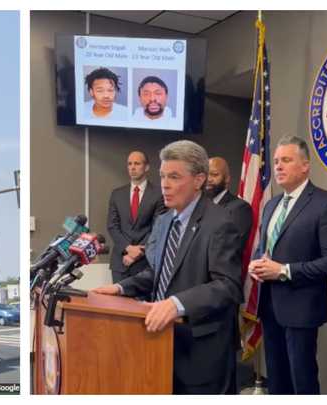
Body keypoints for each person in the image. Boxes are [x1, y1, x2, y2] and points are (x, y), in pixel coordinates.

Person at [94, 140, 242, 394]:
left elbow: (227, 286)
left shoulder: (220, 222)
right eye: (163, 176)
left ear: (199, 180)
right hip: (161, 344)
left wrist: (176, 303)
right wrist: (120, 288)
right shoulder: (163, 221)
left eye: (174, 176)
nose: (164, 184)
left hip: (201, 353)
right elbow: (157, 272)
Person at [248, 136, 327, 395]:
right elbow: (265, 248)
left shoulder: (326, 203)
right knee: (277, 381)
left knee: (302, 382)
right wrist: (256, 263)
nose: (278, 166)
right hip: (269, 307)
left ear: (305, 166)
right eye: (277, 161)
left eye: (287, 160)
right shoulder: (271, 205)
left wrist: (283, 271)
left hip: (301, 310)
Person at [106, 151, 165, 283]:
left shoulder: (159, 194)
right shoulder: (117, 194)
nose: (132, 167)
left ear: (147, 167)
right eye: (130, 164)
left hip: (144, 263)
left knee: (142, 303)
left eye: (137, 163)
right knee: (117, 303)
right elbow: (112, 226)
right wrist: (128, 248)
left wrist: (137, 253)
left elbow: (158, 228)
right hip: (120, 262)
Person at [206, 156, 253, 252]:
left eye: (214, 175)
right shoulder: (200, 206)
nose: (209, 179)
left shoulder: (240, 208)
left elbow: (231, 246)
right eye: (206, 175)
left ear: (227, 179)